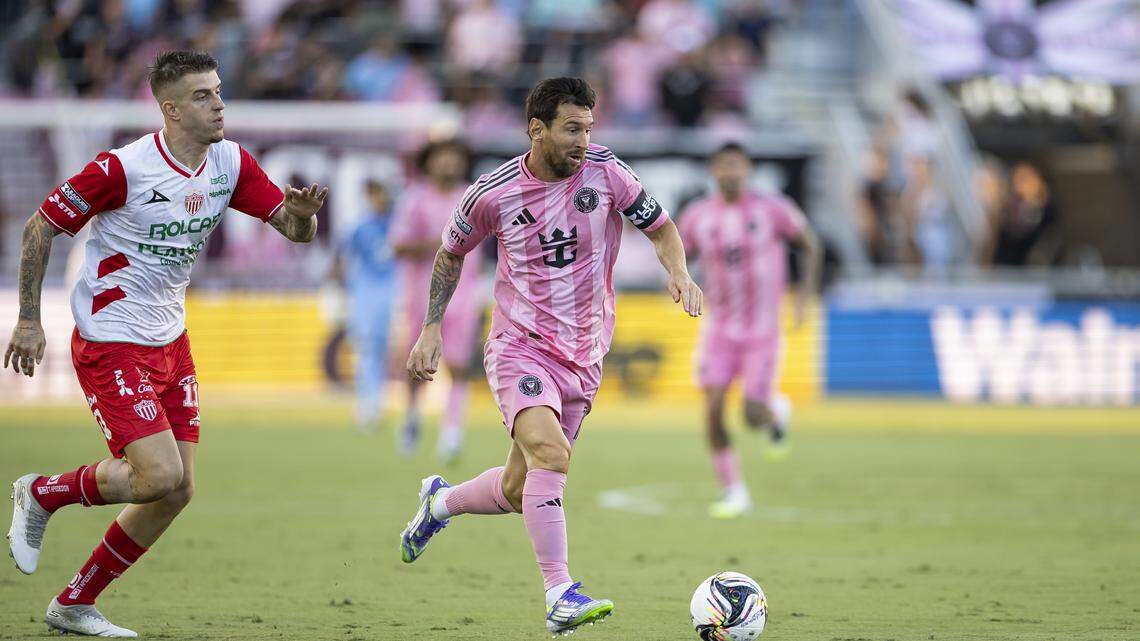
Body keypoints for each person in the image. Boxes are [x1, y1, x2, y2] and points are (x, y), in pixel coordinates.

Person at [4, 50, 327, 637]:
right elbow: (40, 225)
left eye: (220, 91)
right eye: (203, 96)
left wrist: (304, 218)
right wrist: (28, 318)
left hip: (170, 340)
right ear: (171, 109)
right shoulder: (122, 169)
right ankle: (43, 493)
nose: (219, 104)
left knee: (177, 491)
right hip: (111, 337)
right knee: (154, 476)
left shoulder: (229, 163)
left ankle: (74, 603)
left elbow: (294, 230)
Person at [400, 77, 703, 636]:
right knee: (551, 455)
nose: (583, 140)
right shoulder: (491, 193)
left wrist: (679, 273)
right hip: (520, 346)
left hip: (585, 355)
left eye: (588, 128)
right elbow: (450, 255)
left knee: (521, 488)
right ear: (536, 129)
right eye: (571, 129)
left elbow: (661, 229)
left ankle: (440, 504)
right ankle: (560, 593)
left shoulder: (608, 173)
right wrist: (432, 328)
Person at [678, 142, 821, 519]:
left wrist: (805, 295)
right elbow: (679, 253)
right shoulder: (698, 216)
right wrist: (677, 278)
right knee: (711, 410)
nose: (730, 172)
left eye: (736, 165)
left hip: (762, 331)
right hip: (718, 329)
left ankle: (775, 412)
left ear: (748, 169)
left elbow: (810, 245)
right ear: (713, 170)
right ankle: (734, 491)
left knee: (751, 415)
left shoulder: (772, 209)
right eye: (722, 165)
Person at [390, 139, 483, 461]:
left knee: (459, 366)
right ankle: (413, 416)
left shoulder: (473, 197)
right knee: (416, 366)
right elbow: (399, 246)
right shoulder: (415, 198)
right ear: (429, 162)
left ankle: (452, 433)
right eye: (443, 157)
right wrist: (443, 245)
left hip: (464, 295)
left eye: (455, 158)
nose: (449, 164)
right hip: (421, 295)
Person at [330, 180, 398, 430]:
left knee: (384, 350)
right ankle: (367, 404)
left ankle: (377, 402)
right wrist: (338, 293)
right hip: (366, 295)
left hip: (394, 293)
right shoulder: (358, 227)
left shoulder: (397, 223)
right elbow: (342, 261)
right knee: (367, 348)